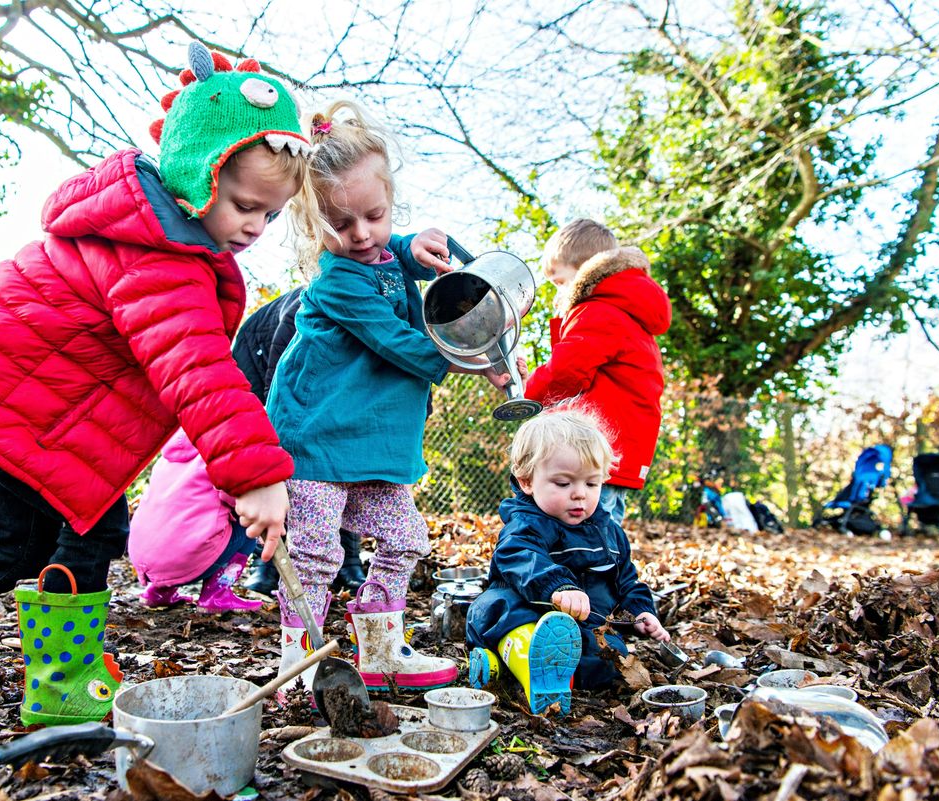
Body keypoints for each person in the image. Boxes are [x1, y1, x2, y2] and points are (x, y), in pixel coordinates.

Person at [0, 42, 311, 725]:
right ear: (196, 173)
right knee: (87, 530)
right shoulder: (159, 252)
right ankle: (43, 676)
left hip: (15, 405)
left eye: (270, 215)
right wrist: (255, 474)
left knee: (31, 542)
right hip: (6, 406)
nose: (255, 226)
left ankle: (2, 662)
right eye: (245, 204)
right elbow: (198, 371)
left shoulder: (150, 231)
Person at [267, 100, 505, 692]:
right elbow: (402, 344)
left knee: (405, 539)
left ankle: (380, 646)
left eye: (375, 215)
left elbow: (392, 252)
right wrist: (475, 354)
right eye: (341, 225)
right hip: (317, 441)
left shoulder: (380, 250)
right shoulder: (337, 280)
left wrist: (421, 240)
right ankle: (300, 659)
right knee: (319, 553)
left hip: (370, 446)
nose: (361, 234)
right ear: (313, 223)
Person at [465, 407, 670, 715]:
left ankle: (533, 674)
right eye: (563, 484)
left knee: (610, 657)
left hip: (583, 629)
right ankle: (525, 663)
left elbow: (627, 580)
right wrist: (557, 586)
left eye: (591, 484)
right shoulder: (527, 524)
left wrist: (640, 612)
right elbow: (519, 555)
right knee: (494, 608)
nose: (580, 495)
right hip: (529, 615)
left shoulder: (609, 532)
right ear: (527, 482)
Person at [523, 219, 670, 525]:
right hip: (620, 444)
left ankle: (591, 572)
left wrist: (529, 391)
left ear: (586, 272)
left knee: (588, 527)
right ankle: (604, 570)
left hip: (596, 445)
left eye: (560, 282)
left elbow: (566, 374)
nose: (557, 294)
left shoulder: (598, 312)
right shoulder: (627, 312)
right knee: (606, 525)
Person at [233, 287, 367, 597]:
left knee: (346, 462)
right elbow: (278, 398)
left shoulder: (388, 321)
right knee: (283, 463)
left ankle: (348, 563)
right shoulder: (306, 309)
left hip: (334, 390)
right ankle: (266, 564)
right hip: (260, 363)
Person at [127, 429, 263, 611]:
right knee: (247, 524)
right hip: (184, 560)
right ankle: (216, 593)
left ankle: (159, 591)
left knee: (178, 519)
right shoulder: (221, 453)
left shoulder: (168, 458)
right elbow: (238, 499)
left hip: (144, 560)